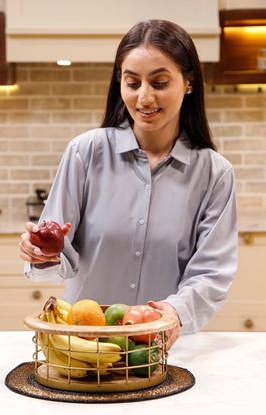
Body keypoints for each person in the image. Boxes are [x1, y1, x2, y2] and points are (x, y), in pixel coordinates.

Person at [19, 19, 238, 349]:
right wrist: (41, 253)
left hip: (159, 348)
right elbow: (57, 253)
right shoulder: (85, 152)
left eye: (160, 82)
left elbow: (212, 272)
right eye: (132, 83)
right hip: (84, 344)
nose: (144, 97)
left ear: (189, 82)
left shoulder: (214, 173)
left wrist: (176, 313)